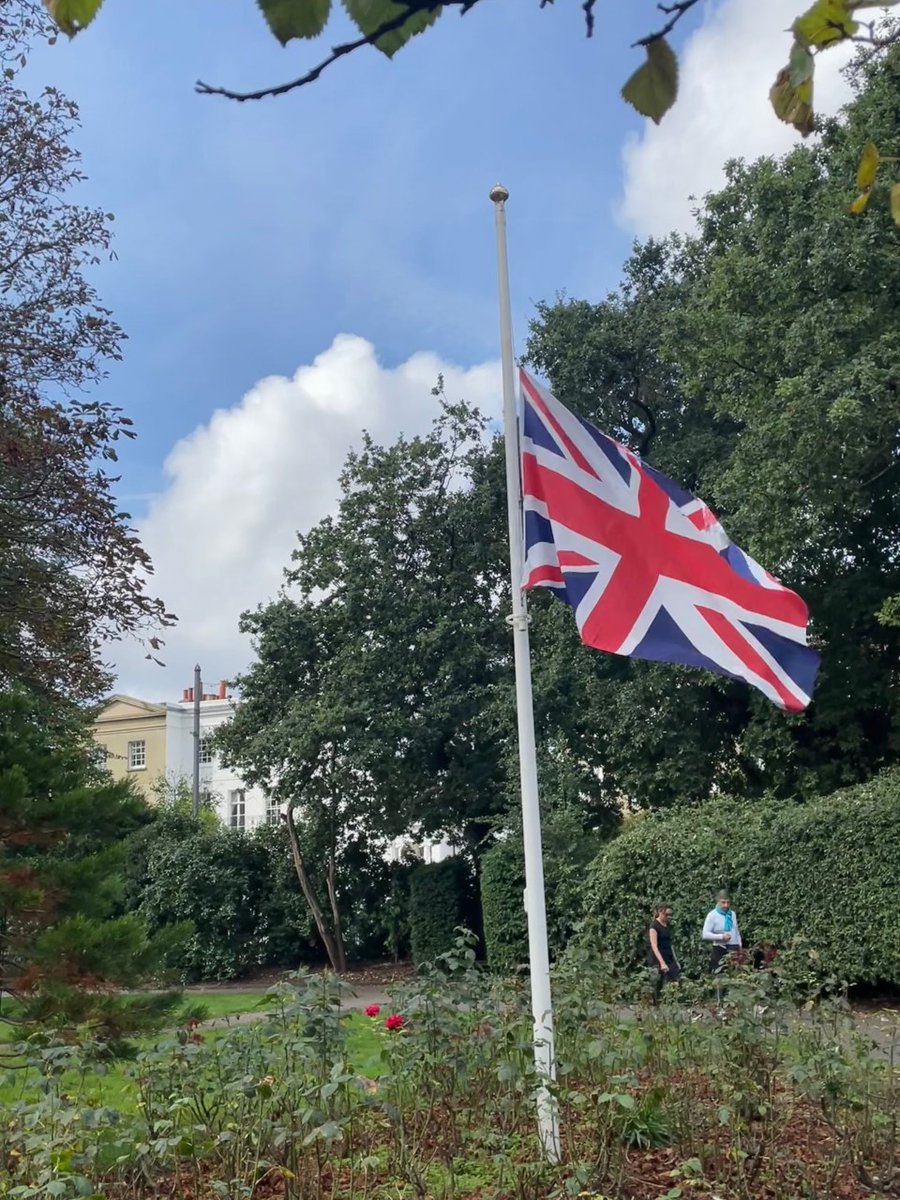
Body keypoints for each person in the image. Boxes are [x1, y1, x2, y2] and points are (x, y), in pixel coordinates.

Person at [702, 890, 742, 975]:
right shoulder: (712, 915)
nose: (726, 905)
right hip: (720, 948)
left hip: (734, 949)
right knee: (720, 975)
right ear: (718, 901)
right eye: (723, 902)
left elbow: (736, 931)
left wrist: (740, 946)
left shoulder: (732, 914)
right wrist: (721, 937)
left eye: (728, 903)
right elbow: (705, 934)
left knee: (734, 975)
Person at [647, 903, 680, 1004]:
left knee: (676, 979)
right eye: (666, 914)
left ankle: (671, 1002)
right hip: (657, 958)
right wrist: (662, 963)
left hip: (669, 956)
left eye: (670, 915)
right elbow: (654, 946)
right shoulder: (654, 926)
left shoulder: (667, 925)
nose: (668, 917)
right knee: (658, 984)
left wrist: (676, 960)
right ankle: (656, 1006)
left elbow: (670, 944)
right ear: (660, 912)